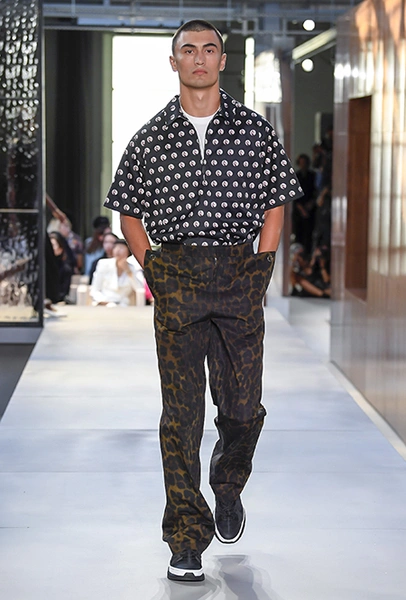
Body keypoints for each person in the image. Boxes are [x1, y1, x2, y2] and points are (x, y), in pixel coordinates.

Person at [104, 20, 303, 583]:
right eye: (188, 50)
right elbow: (129, 211)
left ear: (222, 60)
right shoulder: (150, 137)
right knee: (182, 417)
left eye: (209, 49)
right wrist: (154, 268)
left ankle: (228, 482)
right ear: (174, 62)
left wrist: (262, 265)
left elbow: (275, 201)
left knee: (243, 408)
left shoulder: (254, 130)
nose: (198, 58)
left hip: (239, 274)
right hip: (178, 278)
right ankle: (186, 537)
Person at [89, 239, 145, 306]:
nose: (117, 250)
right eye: (115, 247)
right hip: (104, 303)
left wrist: (129, 272)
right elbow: (95, 289)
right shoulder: (103, 264)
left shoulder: (134, 268)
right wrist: (103, 301)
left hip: (124, 305)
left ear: (128, 251)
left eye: (121, 248)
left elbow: (140, 288)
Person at [292, 153, 316, 257]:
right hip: (298, 210)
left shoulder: (312, 176)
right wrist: (301, 209)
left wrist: (310, 205)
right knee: (299, 234)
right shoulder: (296, 176)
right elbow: (294, 195)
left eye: (305, 163)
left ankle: (307, 256)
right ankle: (298, 257)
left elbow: (315, 192)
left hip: (310, 209)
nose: (303, 165)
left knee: (309, 235)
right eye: (301, 163)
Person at [49, 231, 75, 302]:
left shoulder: (66, 269)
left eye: (53, 245)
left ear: (60, 249)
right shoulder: (42, 268)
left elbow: (63, 293)